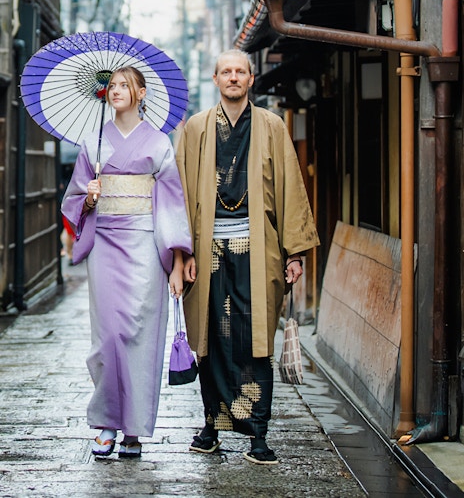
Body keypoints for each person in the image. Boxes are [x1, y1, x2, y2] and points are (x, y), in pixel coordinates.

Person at [176, 49, 319, 465]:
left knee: (256, 340)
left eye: (240, 71)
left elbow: (290, 188)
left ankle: (258, 433)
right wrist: (181, 254)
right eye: (226, 72)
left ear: (251, 79)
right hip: (207, 251)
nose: (233, 77)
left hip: (260, 251)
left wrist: (294, 253)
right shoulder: (197, 129)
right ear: (215, 78)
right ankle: (211, 425)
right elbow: (182, 194)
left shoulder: (272, 126)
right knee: (211, 339)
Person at [62, 66, 191, 458]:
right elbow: (73, 201)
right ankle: (105, 423)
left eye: (124, 85)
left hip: (145, 244)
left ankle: (133, 429)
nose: (116, 91)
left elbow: (171, 202)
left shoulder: (159, 143)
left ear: (140, 93)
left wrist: (177, 260)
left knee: (140, 333)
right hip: (104, 242)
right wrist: (89, 197)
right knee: (108, 336)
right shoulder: (93, 142)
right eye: (112, 86)